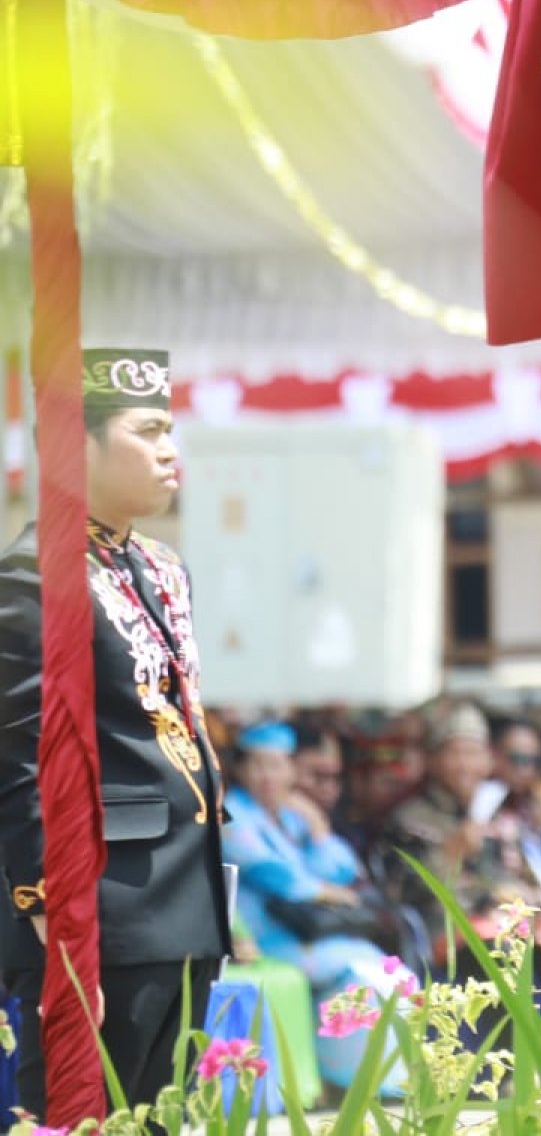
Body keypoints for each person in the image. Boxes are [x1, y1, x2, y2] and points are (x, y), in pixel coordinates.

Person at [0, 348, 231, 1113]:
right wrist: (50, 917)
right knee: (82, 1119)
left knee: (161, 1120)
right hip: (97, 916)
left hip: (188, 905)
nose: (171, 450)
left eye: (172, 429)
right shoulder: (36, 574)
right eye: (149, 430)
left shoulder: (163, 566)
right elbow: (18, 759)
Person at [381, 705, 541, 1024]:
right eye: (455, 753)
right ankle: (519, 1062)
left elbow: (535, 879)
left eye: (473, 753)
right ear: (434, 760)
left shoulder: (501, 817)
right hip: (453, 932)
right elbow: (402, 894)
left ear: (488, 761)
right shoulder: (411, 819)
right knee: (510, 961)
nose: (464, 765)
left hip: (522, 927)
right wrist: (450, 855)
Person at [224, 720, 408, 1091]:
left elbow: (342, 870)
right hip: (266, 937)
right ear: (242, 770)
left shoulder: (293, 816)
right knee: (358, 971)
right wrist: (322, 891)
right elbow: (272, 873)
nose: (267, 776)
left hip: (309, 931)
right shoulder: (232, 813)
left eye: (277, 765)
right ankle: (356, 1081)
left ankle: (388, 1079)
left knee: (389, 972)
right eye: (257, 765)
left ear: (292, 769)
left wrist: (319, 827)